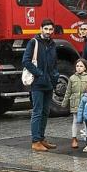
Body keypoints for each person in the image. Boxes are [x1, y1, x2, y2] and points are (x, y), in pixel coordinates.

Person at [23, 19, 60, 152]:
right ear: (41, 29)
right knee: (37, 112)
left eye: (50, 29)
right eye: (46, 29)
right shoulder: (34, 42)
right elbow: (26, 61)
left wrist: (55, 75)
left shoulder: (52, 44)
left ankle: (41, 138)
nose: (48, 32)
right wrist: (39, 74)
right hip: (38, 83)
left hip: (49, 83)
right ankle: (35, 141)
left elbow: (54, 62)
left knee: (45, 111)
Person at [62, 58, 87, 149]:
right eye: (77, 66)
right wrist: (65, 102)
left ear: (85, 68)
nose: (79, 68)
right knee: (75, 120)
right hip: (75, 102)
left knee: (86, 120)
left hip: (86, 102)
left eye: (81, 66)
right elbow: (68, 91)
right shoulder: (72, 78)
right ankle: (74, 138)